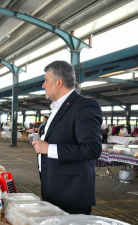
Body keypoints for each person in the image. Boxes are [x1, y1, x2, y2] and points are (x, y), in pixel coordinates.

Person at [32, 61, 102, 215]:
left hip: (71, 194)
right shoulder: (57, 108)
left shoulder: (84, 106)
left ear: (59, 82)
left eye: (46, 80)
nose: (43, 85)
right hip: (54, 190)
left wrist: (49, 148)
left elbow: (92, 149)